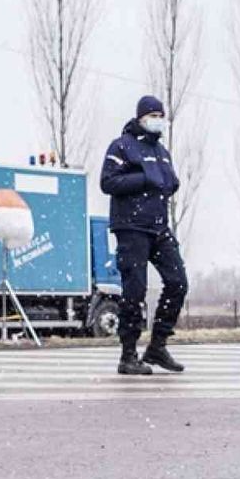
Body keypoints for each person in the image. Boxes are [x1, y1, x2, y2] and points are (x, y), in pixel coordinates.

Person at [100, 96, 188, 377]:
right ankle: (128, 355)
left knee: (178, 282)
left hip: (158, 227)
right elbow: (108, 182)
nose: (157, 119)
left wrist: (169, 183)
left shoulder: (162, 151)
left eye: (161, 115)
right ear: (140, 117)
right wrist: (143, 178)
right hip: (131, 227)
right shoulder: (122, 146)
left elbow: (167, 182)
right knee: (134, 291)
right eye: (152, 114)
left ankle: (158, 346)